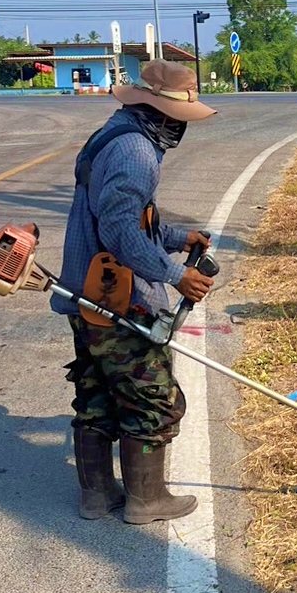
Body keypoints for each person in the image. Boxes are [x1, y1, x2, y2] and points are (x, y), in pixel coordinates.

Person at [50, 59, 218, 525]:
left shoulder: (112, 133)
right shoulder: (137, 152)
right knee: (152, 399)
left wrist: (178, 238)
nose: (181, 129)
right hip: (117, 299)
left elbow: (126, 216)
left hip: (84, 293)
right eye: (179, 120)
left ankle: (97, 497)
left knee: (97, 393)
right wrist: (174, 274)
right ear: (160, 113)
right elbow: (121, 230)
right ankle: (146, 500)